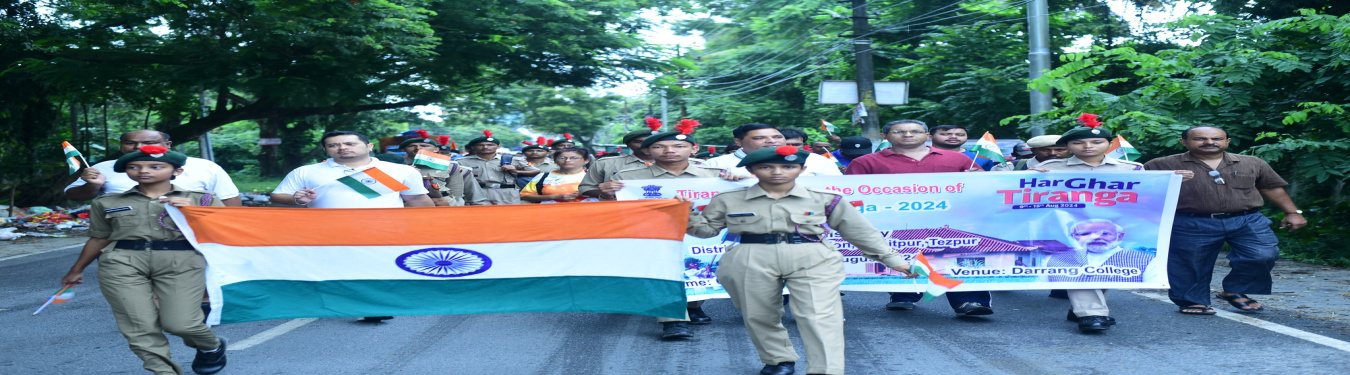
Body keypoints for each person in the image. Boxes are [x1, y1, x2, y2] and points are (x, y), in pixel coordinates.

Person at [687, 145, 916, 375]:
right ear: (752, 169)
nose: (777, 171)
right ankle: (778, 360)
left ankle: (825, 369)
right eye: (766, 166)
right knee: (758, 314)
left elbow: (859, 232)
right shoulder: (729, 199)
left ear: (802, 168)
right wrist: (686, 212)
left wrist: (893, 260)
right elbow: (705, 231)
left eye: (788, 166)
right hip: (750, 256)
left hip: (813, 256)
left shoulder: (825, 199)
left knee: (820, 315)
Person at [60, 146, 229, 375]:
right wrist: (76, 270)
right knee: (139, 325)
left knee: (180, 323)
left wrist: (194, 211)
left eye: (155, 166)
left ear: (176, 171)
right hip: (122, 262)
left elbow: (225, 233)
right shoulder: (107, 202)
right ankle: (163, 371)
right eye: (134, 167)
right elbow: (99, 238)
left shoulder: (203, 200)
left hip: (182, 261)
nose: (143, 171)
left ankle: (211, 346)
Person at [599, 125, 744, 340]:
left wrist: (738, 183)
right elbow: (619, 205)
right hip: (655, 232)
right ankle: (673, 320)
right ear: (648, 151)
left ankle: (693, 306)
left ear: (693, 149)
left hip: (701, 231)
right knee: (662, 273)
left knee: (699, 267)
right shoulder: (629, 177)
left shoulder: (716, 175)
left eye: (678, 146)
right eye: (659, 146)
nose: (669, 151)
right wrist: (608, 194)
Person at [271, 131, 432, 323]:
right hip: (328, 234)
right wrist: (296, 198)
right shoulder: (306, 172)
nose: (342, 147)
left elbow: (418, 199)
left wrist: (429, 226)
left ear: (369, 146)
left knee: (377, 268)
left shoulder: (400, 171)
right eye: (333, 145)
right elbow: (278, 196)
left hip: (383, 231)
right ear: (325, 149)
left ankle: (375, 307)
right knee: (339, 270)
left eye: (349, 143)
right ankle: (342, 301)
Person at [1144, 126, 1305, 314]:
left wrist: (1293, 212)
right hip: (1190, 220)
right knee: (1190, 262)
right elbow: (1141, 190)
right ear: (1184, 142)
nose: (1209, 142)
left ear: (1227, 141)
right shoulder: (1160, 165)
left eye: (1217, 139)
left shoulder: (1252, 163)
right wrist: (1166, 180)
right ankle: (1192, 301)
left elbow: (1271, 188)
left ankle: (1235, 289)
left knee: (1263, 254)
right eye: (1200, 139)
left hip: (1247, 219)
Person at [845, 119, 993, 316]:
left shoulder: (959, 160)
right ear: (885, 136)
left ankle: (970, 301)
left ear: (927, 136)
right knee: (901, 255)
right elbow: (851, 194)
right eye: (900, 132)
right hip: (895, 222)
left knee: (960, 257)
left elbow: (984, 189)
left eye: (915, 131)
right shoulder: (866, 162)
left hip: (952, 222)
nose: (908, 135)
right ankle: (903, 295)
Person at [66, 130, 242, 207]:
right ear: (121, 146)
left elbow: (229, 202)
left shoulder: (205, 167)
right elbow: (74, 196)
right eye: (130, 143)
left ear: (168, 145)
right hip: (126, 241)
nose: (139, 147)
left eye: (149, 143)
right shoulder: (104, 168)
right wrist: (93, 185)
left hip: (190, 239)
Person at [703, 123, 843, 177]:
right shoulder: (714, 165)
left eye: (777, 136)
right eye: (760, 138)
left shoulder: (816, 161)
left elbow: (837, 190)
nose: (772, 141)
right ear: (738, 142)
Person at [578, 120, 663, 201]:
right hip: (619, 210)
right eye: (639, 142)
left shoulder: (675, 165)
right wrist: (607, 193)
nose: (647, 145)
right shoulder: (605, 163)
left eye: (654, 142)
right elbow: (586, 188)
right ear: (628, 144)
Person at [457, 130, 540, 205]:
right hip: (477, 192)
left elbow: (536, 171)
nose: (485, 147)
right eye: (480, 145)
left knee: (509, 217)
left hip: (506, 192)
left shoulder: (512, 159)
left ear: (498, 146)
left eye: (490, 145)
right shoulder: (462, 161)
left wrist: (517, 171)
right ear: (473, 147)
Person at [401, 137, 485, 206]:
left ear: (436, 149)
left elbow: (455, 192)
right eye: (411, 146)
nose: (418, 148)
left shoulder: (450, 165)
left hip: (443, 205)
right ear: (404, 150)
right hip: (408, 205)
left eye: (424, 145)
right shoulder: (396, 165)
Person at [520, 148, 596, 203]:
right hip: (551, 215)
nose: (567, 160)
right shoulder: (543, 176)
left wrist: (588, 192)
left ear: (586, 160)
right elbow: (524, 195)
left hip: (588, 215)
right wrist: (555, 197)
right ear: (555, 160)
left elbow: (607, 193)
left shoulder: (595, 176)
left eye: (574, 158)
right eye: (562, 158)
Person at [928, 125, 996, 171]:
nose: (953, 137)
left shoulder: (981, 155)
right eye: (946, 134)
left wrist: (982, 174)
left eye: (960, 135)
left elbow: (991, 178)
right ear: (930, 137)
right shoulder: (920, 154)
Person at [993, 135, 1068, 171]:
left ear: (1070, 150)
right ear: (1033, 150)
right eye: (1045, 150)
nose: (1053, 153)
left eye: (1060, 150)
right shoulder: (1010, 167)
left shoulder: (1078, 167)